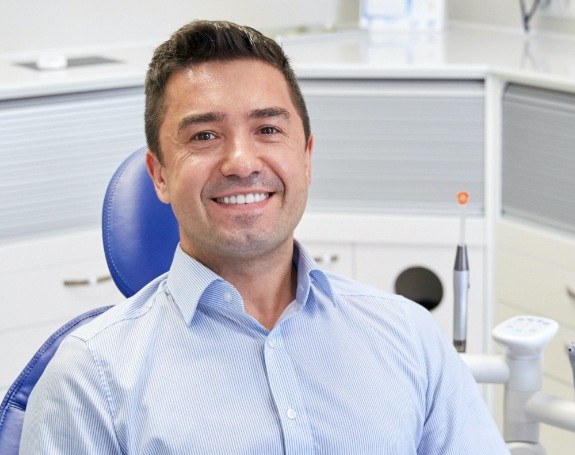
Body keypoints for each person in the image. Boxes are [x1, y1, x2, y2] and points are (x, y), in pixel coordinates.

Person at [20, 20, 509, 454]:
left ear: (307, 158)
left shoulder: (408, 336)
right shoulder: (91, 380)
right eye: (204, 136)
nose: (241, 162)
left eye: (268, 129)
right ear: (160, 175)